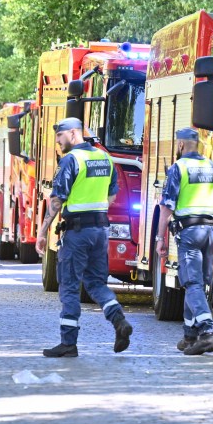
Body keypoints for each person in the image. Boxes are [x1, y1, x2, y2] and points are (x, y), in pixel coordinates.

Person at [35, 117, 132, 358]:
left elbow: (56, 200)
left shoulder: (71, 160)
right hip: (100, 230)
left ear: (75, 133)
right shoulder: (104, 158)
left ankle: (69, 343)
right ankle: (118, 319)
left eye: (60, 135)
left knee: (69, 285)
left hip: (77, 232)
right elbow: (112, 194)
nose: (57, 141)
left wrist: (42, 231)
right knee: (97, 283)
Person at [155, 127, 213, 355]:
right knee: (200, 283)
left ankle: (207, 332)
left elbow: (166, 207)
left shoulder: (178, 168)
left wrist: (160, 238)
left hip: (189, 232)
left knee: (192, 283)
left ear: (180, 146)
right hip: (211, 233)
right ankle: (190, 336)